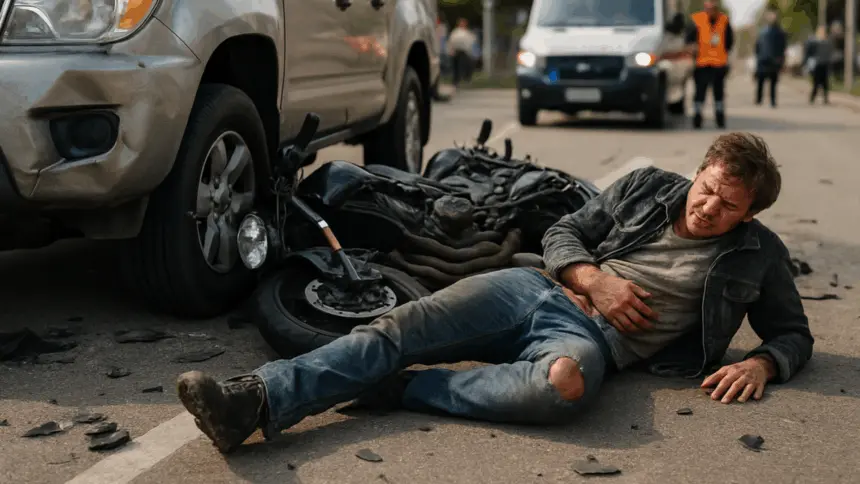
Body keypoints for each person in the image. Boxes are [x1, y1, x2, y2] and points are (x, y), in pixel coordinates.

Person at [176, 133, 814, 454]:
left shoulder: (760, 257)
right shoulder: (649, 185)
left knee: (563, 386)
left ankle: (402, 389)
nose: (707, 206)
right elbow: (565, 229)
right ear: (699, 170)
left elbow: (793, 333)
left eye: (727, 204)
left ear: (750, 212)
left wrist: (762, 361)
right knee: (400, 327)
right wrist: (592, 277)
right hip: (531, 289)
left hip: (586, 340)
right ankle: (254, 401)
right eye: (706, 187)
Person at [686, 0, 734, 129]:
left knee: (718, 94)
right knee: (699, 94)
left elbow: (729, 42)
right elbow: (688, 40)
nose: (711, 9)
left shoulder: (724, 20)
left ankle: (720, 119)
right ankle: (697, 118)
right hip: (702, 64)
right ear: (704, 7)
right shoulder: (696, 20)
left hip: (719, 65)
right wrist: (692, 48)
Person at [754, 8, 787, 107]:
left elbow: (783, 46)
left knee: (773, 82)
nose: (772, 17)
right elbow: (757, 45)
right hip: (763, 59)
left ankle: (773, 101)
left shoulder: (780, 32)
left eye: (773, 15)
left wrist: (781, 59)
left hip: (774, 60)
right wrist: (758, 56)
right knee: (760, 81)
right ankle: (759, 99)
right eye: (770, 15)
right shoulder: (762, 31)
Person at [804, 26, 833, 104]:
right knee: (818, 83)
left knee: (823, 83)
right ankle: (813, 98)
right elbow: (809, 53)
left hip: (822, 64)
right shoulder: (815, 42)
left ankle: (823, 98)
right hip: (818, 64)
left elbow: (830, 53)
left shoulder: (827, 42)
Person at [446, 18, 477, 87]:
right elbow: (451, 41)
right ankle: (455, 81)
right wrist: (450, 50)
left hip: (464, 52)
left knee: (463, 66)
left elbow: (471, 42)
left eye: (463, 23)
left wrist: (470, 52)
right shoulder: (455, 32)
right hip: (456, 51)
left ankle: (465, 79)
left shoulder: (467, 32)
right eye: (461, 23)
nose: (462, 24)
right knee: (456, 67)